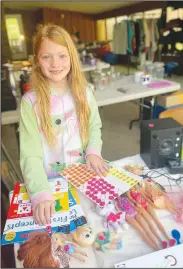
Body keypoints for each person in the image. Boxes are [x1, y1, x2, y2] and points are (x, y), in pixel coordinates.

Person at [19, 24, 109, 226]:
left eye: (62, 55)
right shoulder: (30, 102)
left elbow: (94, 126)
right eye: (46, 57)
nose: (55, 64)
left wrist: (94, 152)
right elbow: (29, 154)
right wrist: (40, 192)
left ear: (72, 57)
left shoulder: (85, 92)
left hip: (84, 176)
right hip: (50, 183)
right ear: (37, 61)